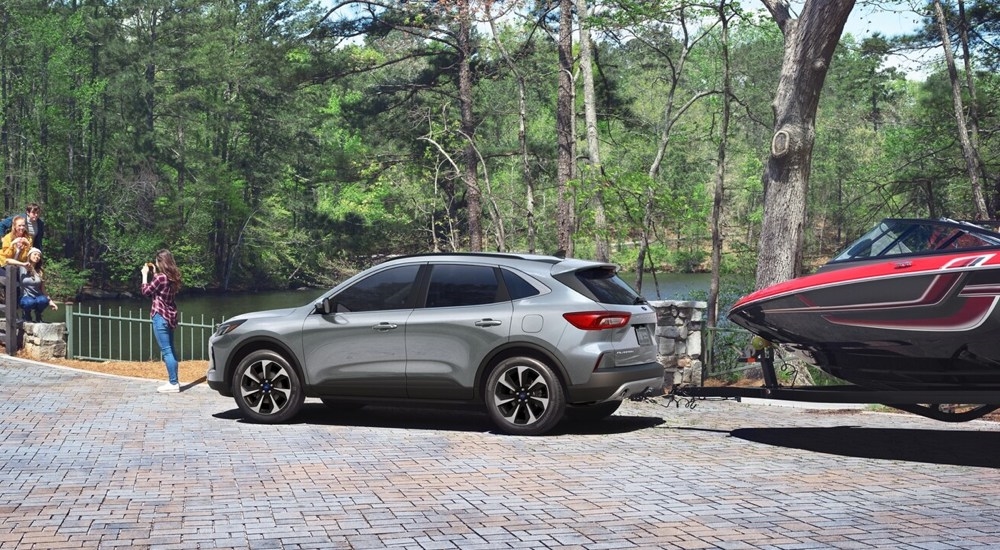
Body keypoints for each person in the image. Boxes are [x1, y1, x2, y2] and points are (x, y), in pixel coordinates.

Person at [141, 249, 182, 393]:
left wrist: (144, 275)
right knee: (171, 349)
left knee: (166, 351)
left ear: (160, 262)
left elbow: (146, 292)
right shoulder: (173, 277)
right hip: (170, 316)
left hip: (160, 316)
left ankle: (173, 383)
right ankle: (174, 380)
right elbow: (159, 288)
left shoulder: (160, 278)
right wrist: (153, 272)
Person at [11, 248, 58, 323]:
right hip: (25, 297)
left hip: (37, 297)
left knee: (44, 300)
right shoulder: (22, 267)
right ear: (29, 256)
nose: (37, 257)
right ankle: (26, 314)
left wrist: (51, 302)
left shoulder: (40, 271)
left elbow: (43, 289)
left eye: (39, 255)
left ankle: (38, 314)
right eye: (35, 254)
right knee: (29, 302)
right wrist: (18, 251)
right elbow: (9, 262)